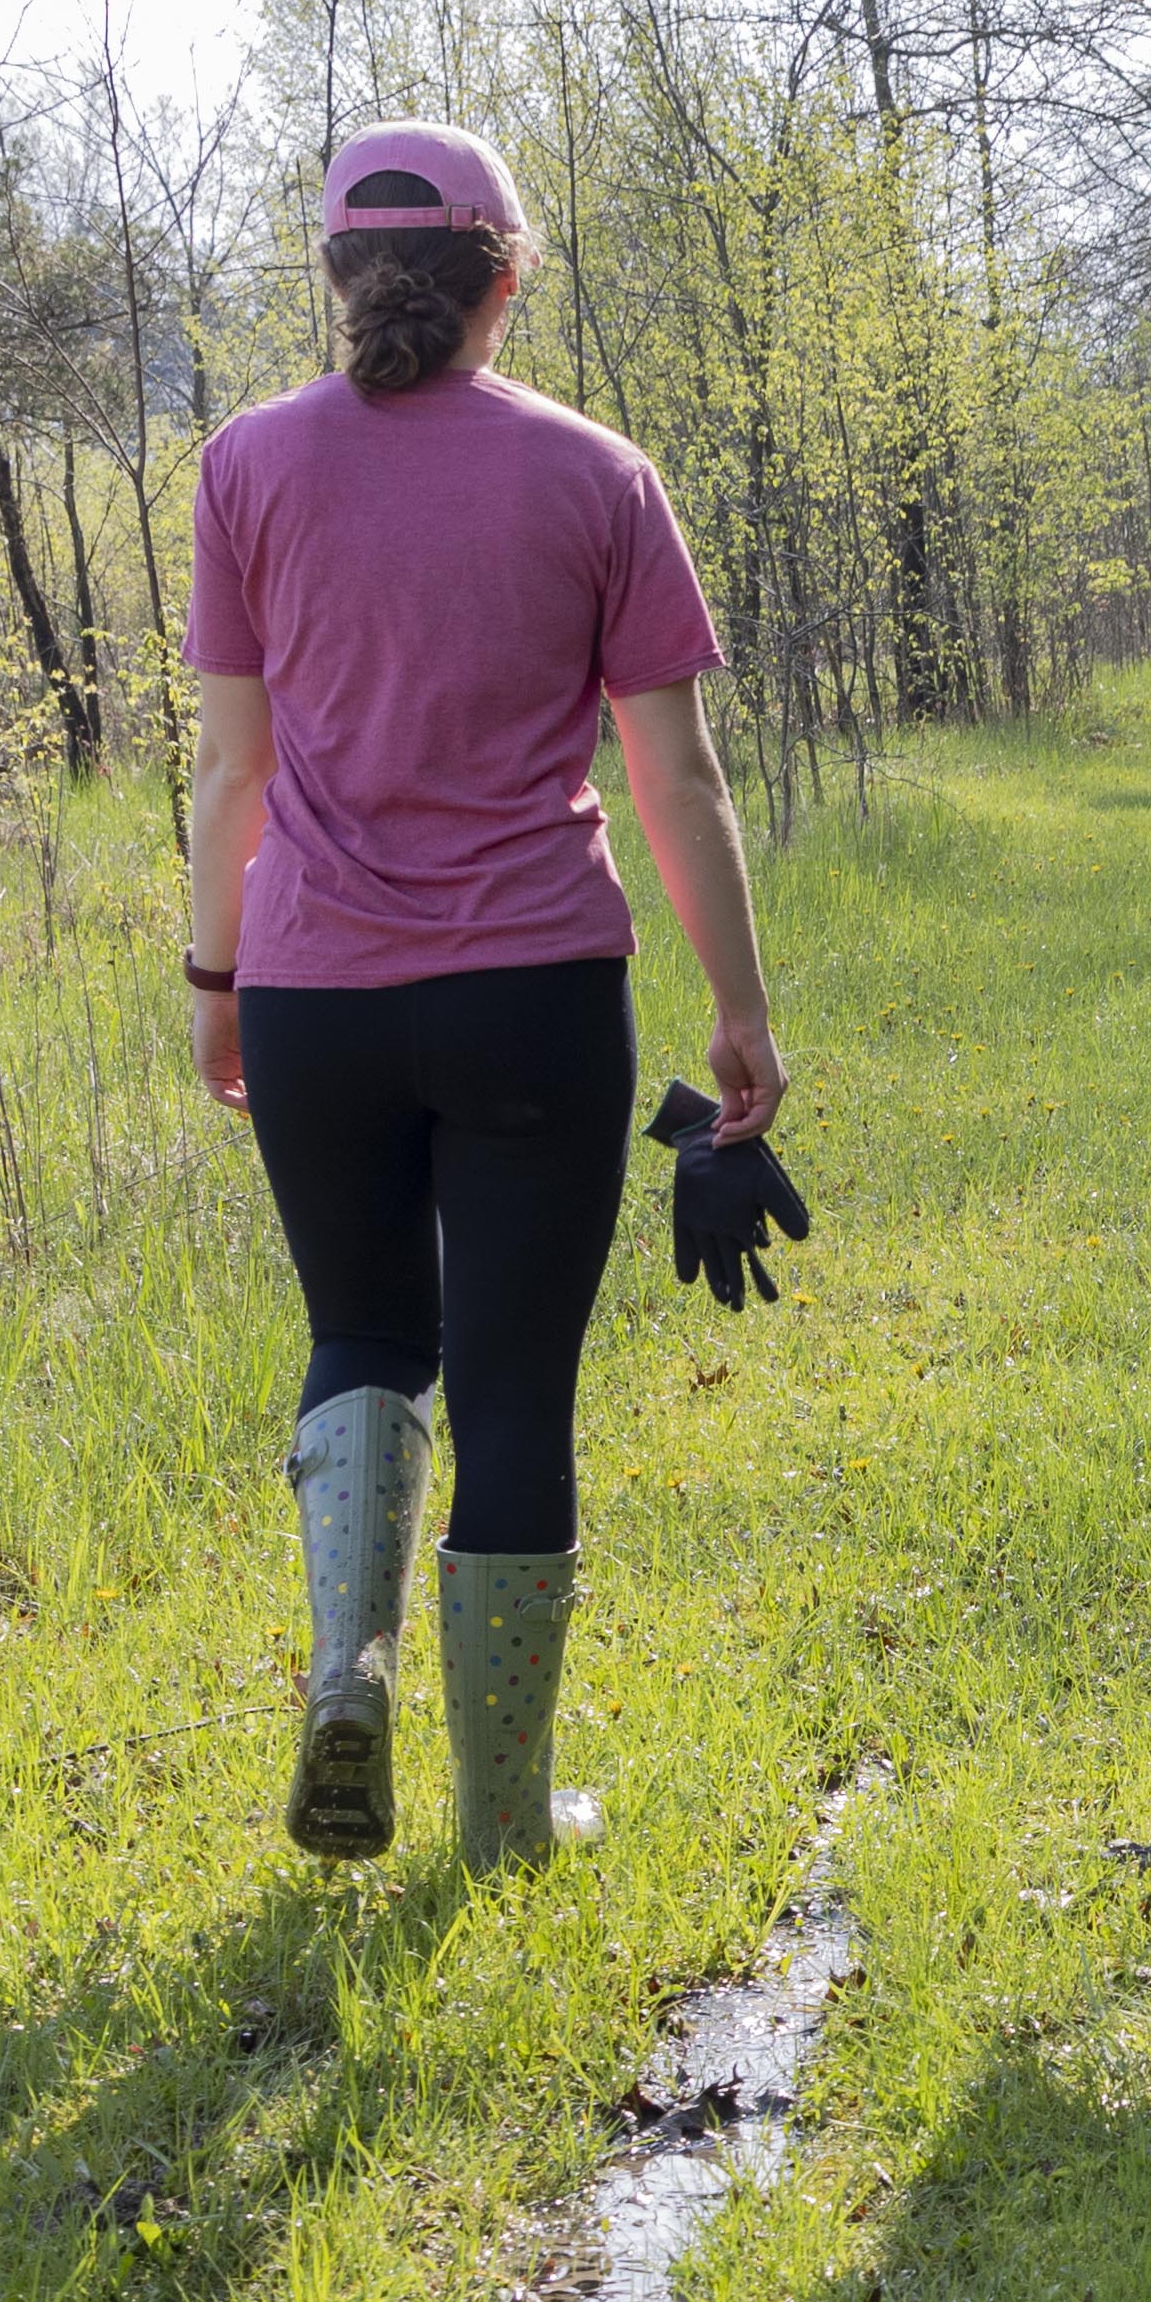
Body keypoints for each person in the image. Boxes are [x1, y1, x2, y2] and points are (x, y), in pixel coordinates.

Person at [181, 120, 787, 1870]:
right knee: (518, 1389)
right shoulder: (598, 472)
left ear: (336, 278)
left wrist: (220, 976)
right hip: (534, 989)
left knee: (365, 1336)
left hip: (315, 993)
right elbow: (677, 776)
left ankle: (344, 1666)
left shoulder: (247, 465)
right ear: (505, 277)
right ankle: (506, 1823)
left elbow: (231, 775)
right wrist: (735, 1006)